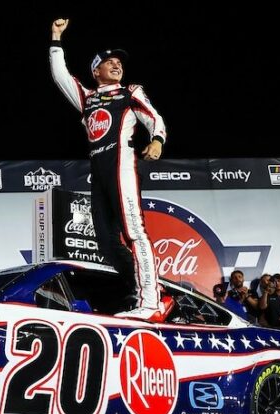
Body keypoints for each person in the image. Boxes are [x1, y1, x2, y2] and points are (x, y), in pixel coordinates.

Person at [50, 18, 168, 322]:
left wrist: (157, 140)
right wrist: (55, 39)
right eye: (109, 61)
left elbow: (154, 117)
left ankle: (152, 301)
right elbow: (60, 76)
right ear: (96, 71)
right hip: (98, 173)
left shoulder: (130, 92)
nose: (116, 64)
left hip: (123, 167)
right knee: (104, 240)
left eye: (119, 62)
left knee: (133, 231)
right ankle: (139, 289)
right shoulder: (87, 98)